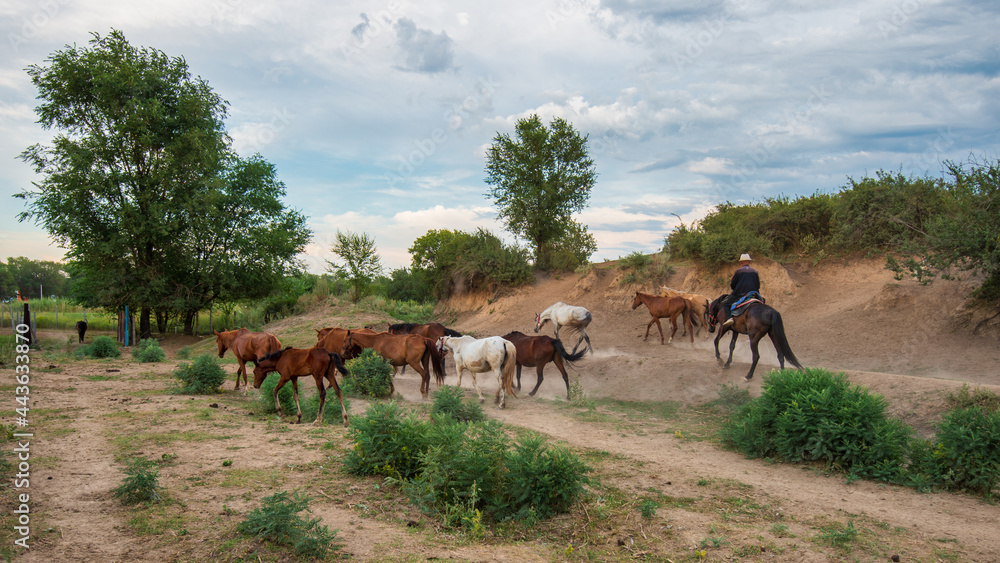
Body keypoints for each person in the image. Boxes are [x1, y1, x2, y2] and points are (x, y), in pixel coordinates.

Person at [721, 253, 761, 328]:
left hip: (740, 294)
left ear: (741, 262)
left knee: (726, 304)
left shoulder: (738, 271)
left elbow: (733, 284)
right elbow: (758, 285)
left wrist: (735, 290)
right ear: (749, 262)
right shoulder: (755, 271)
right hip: (754, 294)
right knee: (762, 302)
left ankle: (729, 319)